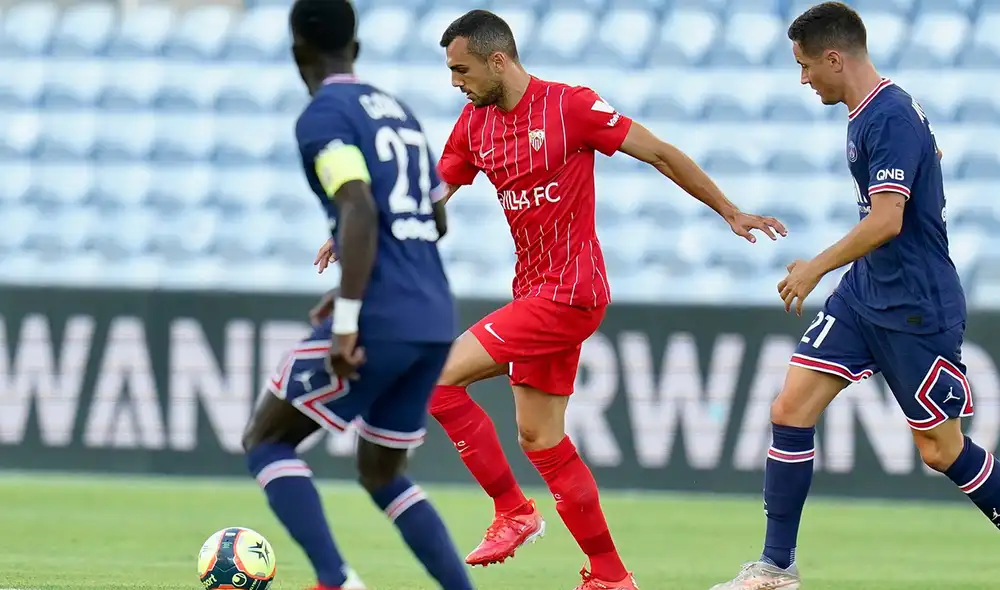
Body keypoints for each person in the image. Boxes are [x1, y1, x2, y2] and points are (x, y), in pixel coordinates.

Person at [427, 9, 787, 590]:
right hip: (533, 291)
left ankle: (513, 511)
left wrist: (730, 211)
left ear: (498, 60)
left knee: (438, 379)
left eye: (460, 69)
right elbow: (436, 188)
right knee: (539, 437)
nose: (455, 82)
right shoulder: (475, 124)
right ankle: (610, 576)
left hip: (571, 292)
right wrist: (365, 223)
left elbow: (660, 153)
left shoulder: (570, 106)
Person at [709, 3, 1000, 589]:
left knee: (941, 451)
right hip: (866, 293)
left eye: (806, 65)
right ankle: (775, 568)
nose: (803, 78)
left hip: (915, 306)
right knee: (789, 409)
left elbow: (889, 220)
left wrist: (815, 266)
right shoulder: (868, 114)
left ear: (834, 58)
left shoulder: (889, 116)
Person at [241, 2, 474, 589]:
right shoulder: (398, 112)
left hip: (380, 317)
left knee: (266, 441)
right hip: (432, 315)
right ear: (357, 48)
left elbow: (358, 203)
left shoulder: (324, 116)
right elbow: (433, 219)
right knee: (380, 472)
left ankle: (335, 580)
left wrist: (348, 317)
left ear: (298, 51)